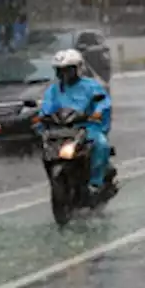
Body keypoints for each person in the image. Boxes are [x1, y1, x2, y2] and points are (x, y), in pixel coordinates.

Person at [40, 50, 113, 190]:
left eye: (68, 70)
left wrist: (97, 113)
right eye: (60, 71)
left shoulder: (91, 86)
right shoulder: (53, 90)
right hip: (62, 130)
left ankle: (95, 182)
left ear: (77, 69)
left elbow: (103, 102)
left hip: (87, 127)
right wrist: (44, 116)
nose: (64, 74)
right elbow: (47, 106)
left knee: (101, 145)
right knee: (46, 150)